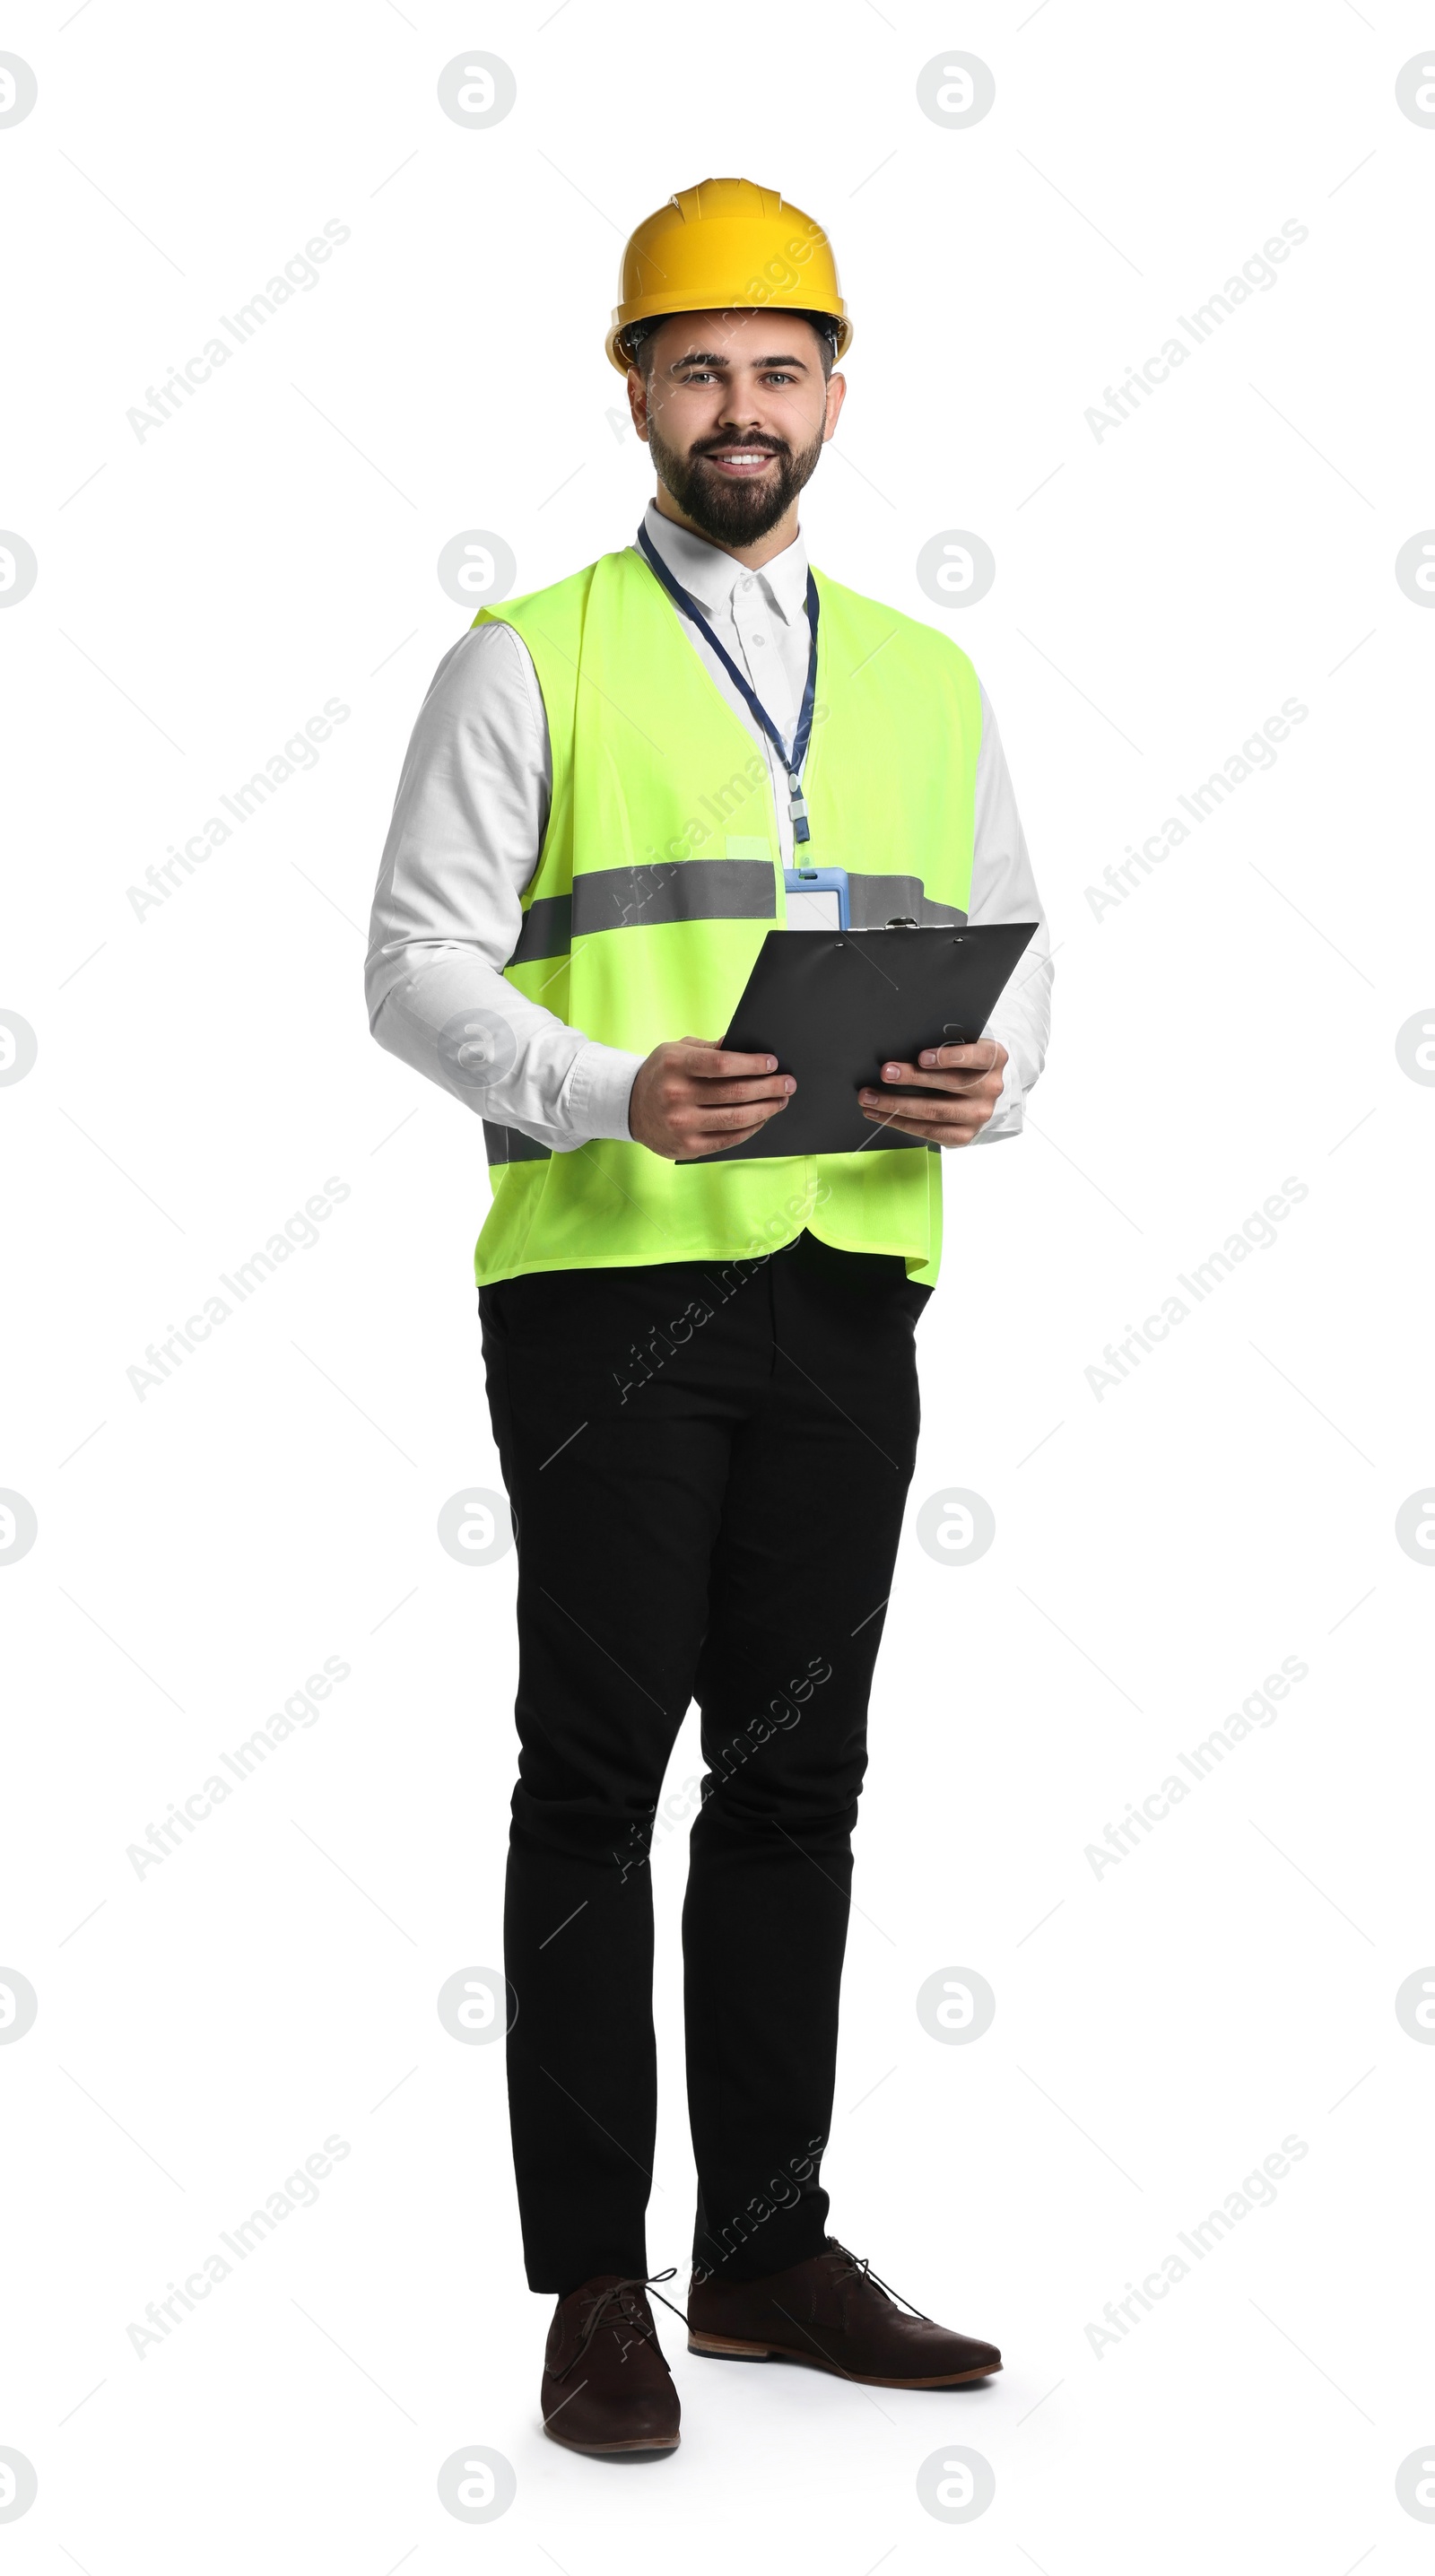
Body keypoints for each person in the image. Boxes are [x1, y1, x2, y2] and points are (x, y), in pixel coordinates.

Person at [366, 177, 1051, 2458]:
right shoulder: (527, 654)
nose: (738, 407)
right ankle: (592, 2284)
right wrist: (606, 1087)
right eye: (698, 368)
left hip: (847, 1283)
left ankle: (756, 2247)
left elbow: (1016, 952)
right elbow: (413, 965)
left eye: (777, 370)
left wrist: (988, 1077)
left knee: (794, 1781)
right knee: (592, 1779)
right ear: (631, 391)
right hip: (606, 1292)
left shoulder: (932, 677)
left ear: (834, 395)